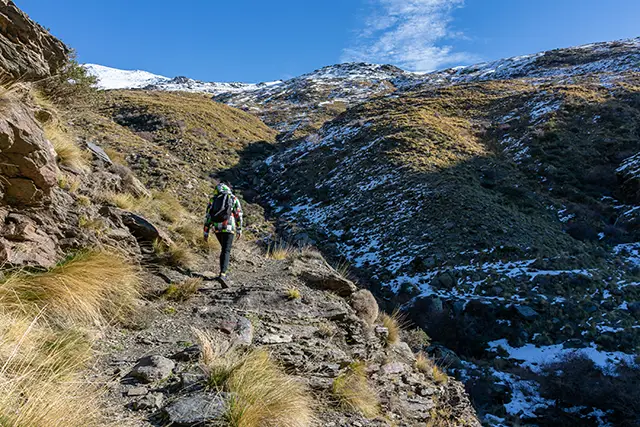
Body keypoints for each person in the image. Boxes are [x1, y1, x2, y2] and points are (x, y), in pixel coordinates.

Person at [203, 183, 243, 288]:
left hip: (217, 228)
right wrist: (239, 228)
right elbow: (238, 214)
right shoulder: (233, 198)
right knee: (226, 250)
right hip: (229, 227)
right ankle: (223, 274)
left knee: (224, 249)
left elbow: (208, 216)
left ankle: (222, 272)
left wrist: (206, 231)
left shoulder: (213, 200)